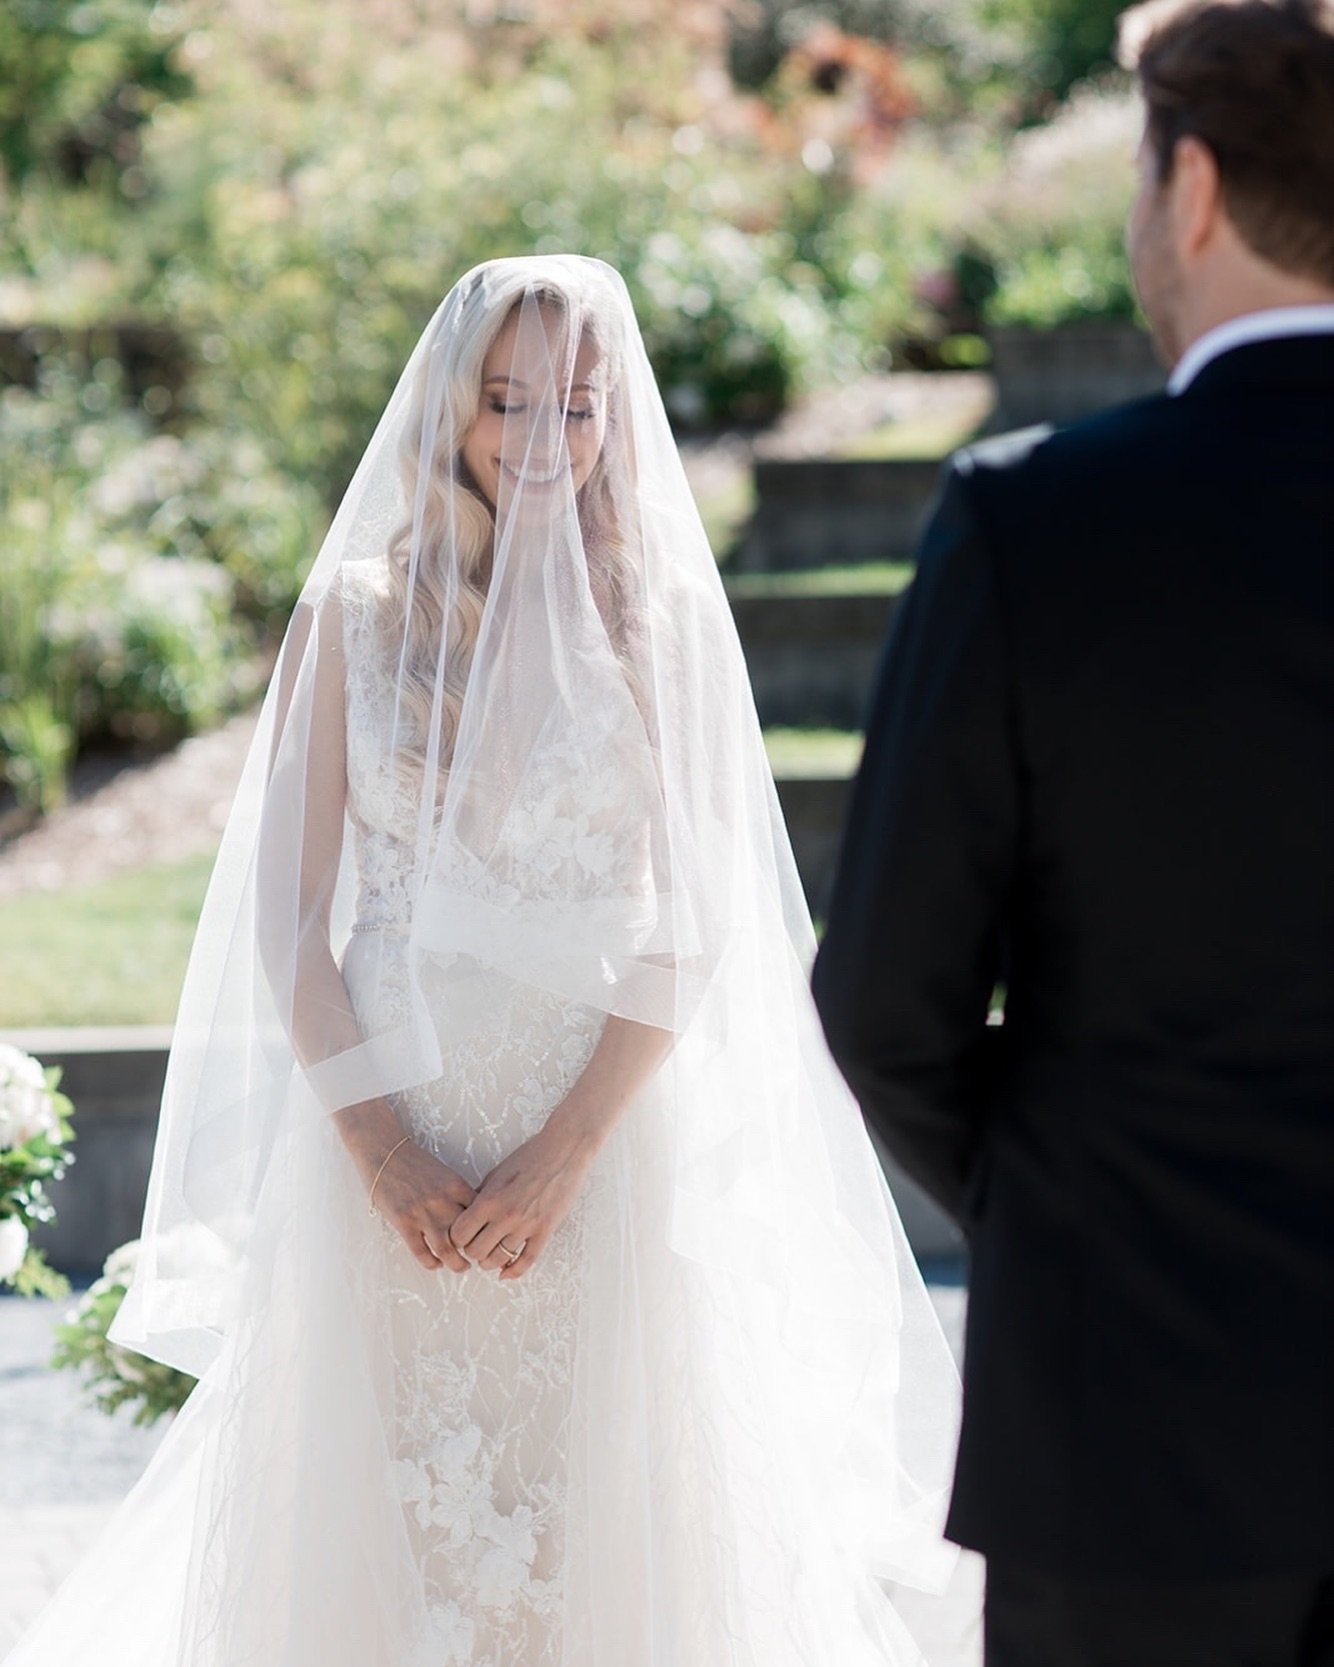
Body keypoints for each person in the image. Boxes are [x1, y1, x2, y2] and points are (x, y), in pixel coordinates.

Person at [7, 256, 980, 1665]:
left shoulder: (664, 623)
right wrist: (380, 1149)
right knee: (385, 1540)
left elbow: (695, 921)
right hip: (387, 1147)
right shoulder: (352, 615)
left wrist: (566, 1153)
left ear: (612, 419)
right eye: (504, 403)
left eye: (573, 407)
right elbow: (290, 913)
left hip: (608, 1153)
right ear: (449, 411)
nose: (537, 442)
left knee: (605, 1535)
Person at [812, 2, 1334, 1662]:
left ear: (1186, 187)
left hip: (1130, 1428)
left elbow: (883, 1005)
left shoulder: (1030, 520)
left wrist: (1063, 1203)